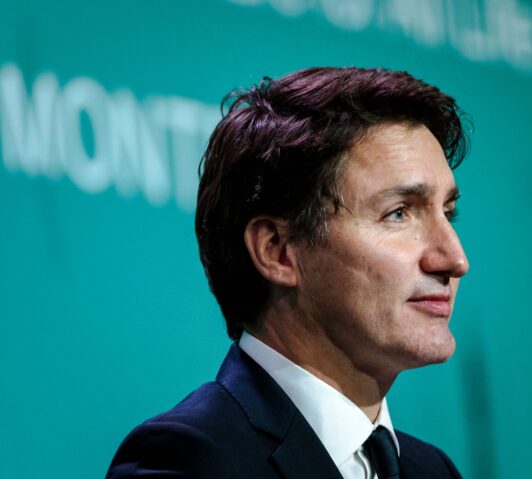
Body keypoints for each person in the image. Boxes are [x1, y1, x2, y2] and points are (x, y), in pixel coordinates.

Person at [106, 66, 470, 478]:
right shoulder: (188, 460)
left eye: (448, 214)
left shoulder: (432, 470)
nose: (455, 259)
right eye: (398, 214)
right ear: (278, 251)